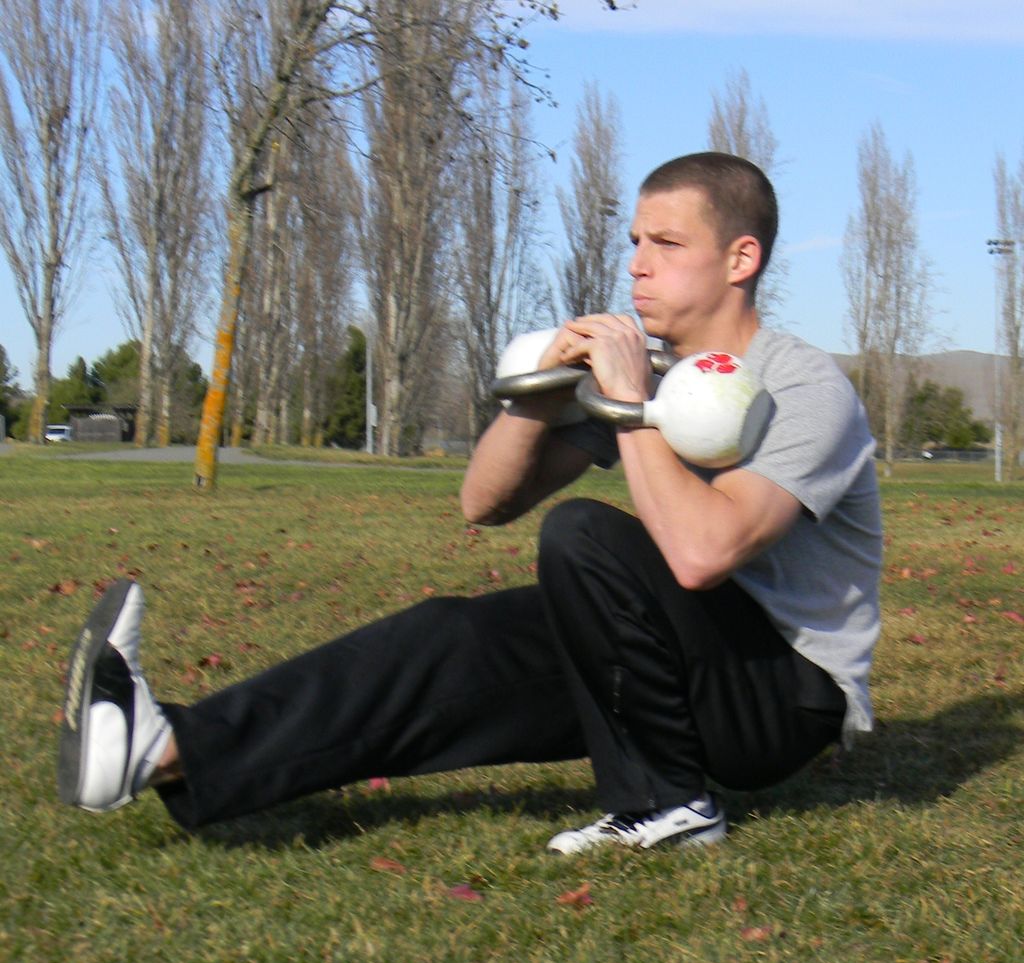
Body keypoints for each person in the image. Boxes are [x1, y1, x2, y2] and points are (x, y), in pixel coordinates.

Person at [58, 152, 882, 855]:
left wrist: (628, 404)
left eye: (666, 243)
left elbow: (705, 554)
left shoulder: (804, 386)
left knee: (583, 535)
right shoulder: (653, 376)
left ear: (740, 260)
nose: (637, 263)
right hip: (664, 659)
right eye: (634, 241)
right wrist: (539, 395)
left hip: (779, 693)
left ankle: (667, 804)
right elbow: (483, 501)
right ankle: (163, 746)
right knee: (448, 641)